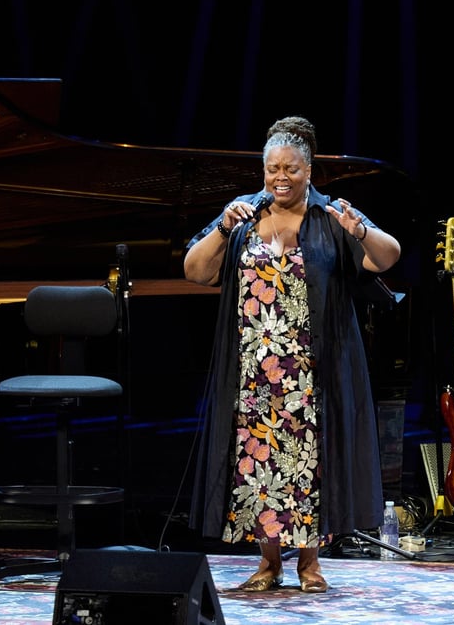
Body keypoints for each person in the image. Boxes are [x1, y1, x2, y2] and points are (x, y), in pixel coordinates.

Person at [184, 115, 402, 593]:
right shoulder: (241, 214)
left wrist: (360, 232)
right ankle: (267, 563)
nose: (280, 178)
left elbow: (388, 256)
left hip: (310, 367)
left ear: (310, 170)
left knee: (309, 463)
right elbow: (195, 271)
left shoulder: (330, 216)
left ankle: (310, 563)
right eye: (272, 169)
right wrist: (221, 229)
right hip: (253, 369)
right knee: (258, 465)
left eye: (291, 169)